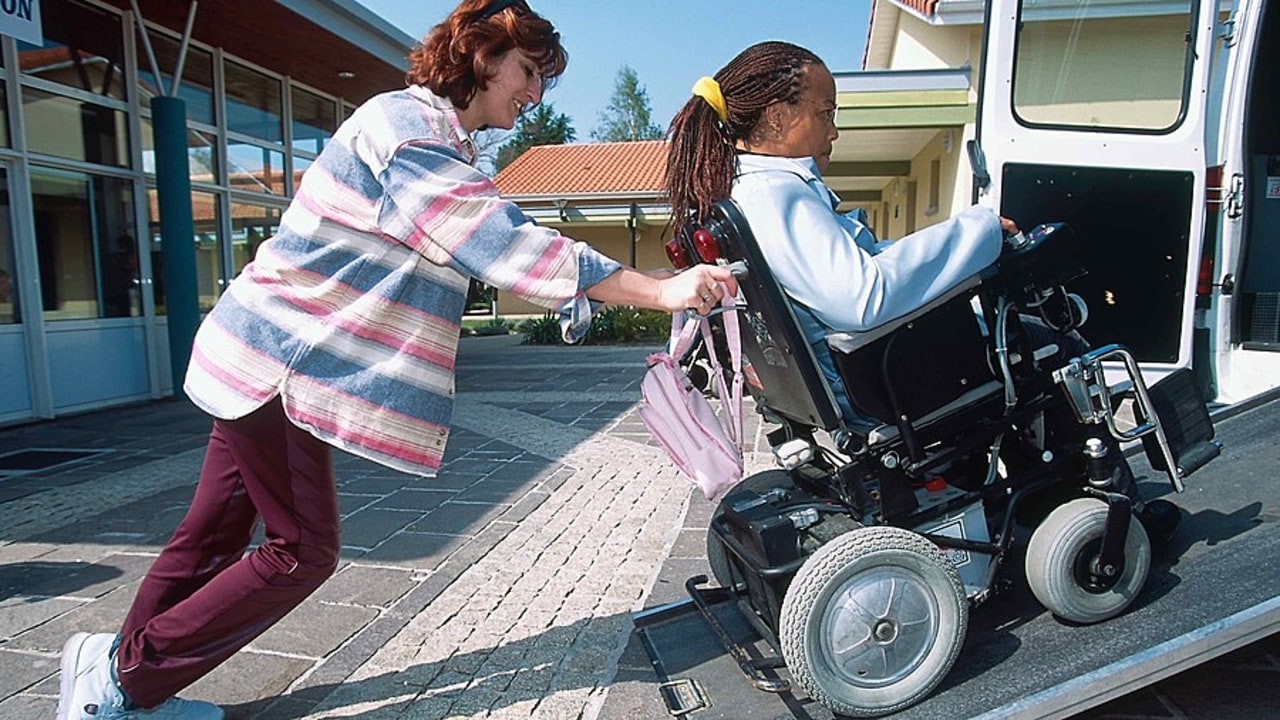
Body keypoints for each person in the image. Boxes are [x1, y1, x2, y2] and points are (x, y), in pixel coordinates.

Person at [55, 2, 735, 719]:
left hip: (262, 354)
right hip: (283, 367)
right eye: (529, 72)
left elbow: (480, 239)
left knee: (212, 535)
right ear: (481, 53)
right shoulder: (408, 133)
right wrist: (658, 290)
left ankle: (121, 689)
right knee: (301, 551)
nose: (534, 94)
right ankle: (125, 680)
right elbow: (498, 239)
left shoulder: (436, 141)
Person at [663, 41, 1178, 540]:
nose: (834, 130)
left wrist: (959, 238)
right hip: (878, 383)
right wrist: (976, 232)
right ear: (777, 117)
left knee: (1024, 345)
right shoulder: (778, 195)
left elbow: (853, 269)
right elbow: (861, 298)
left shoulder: (750, 191)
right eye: (824, 113)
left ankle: (1045, 501)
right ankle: (1115, 509)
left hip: (851, 380)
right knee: (1051, 348)